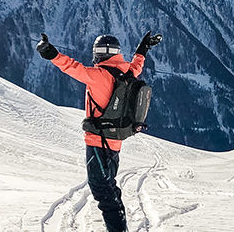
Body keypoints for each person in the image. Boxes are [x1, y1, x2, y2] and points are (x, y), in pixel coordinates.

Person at [36, 31, 162, 232]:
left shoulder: (98, 75)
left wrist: (49, 52)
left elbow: (71, 67)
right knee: (109, 187)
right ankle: (119, 227)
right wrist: (144, 46)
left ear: (98, 54)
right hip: (115, 142)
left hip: (97, 142)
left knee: (103, 191)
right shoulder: (128, 73)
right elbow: (138, 63)